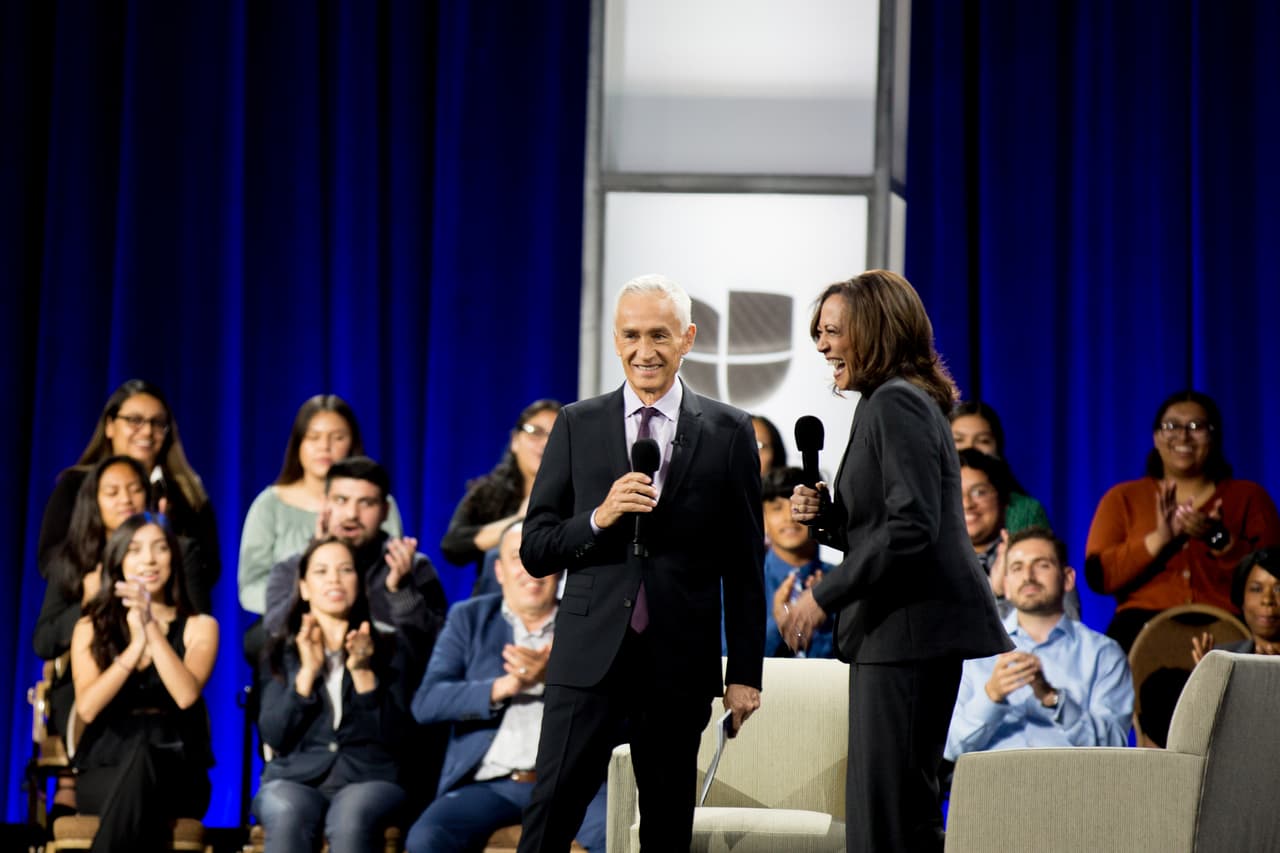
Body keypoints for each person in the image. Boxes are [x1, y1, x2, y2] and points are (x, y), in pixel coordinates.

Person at [516, 273, 765, 852]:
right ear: (615, 339)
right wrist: (599, 517)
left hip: (678, 660)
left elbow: (744, 565)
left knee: (666, 826)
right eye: (631, 335)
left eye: (659, 335)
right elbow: (536, 549)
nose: (643, 351)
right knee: (551, 814)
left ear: (688, 339)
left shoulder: (729, 430)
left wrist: (745, 674)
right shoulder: (577, 424)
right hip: (588, 655)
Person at [786, 270, 1011, 853]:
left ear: (875, 330)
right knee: (897, 811)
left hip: (907, 634)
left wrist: (822, 596)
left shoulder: (896, 402)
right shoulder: (886, 400)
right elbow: (885, 525)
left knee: (888, 819)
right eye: (819, 333)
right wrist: (829, 518)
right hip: (899, 635)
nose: (822, 346)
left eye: (833, 331)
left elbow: (912, 529)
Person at [406, 523, 607, 853]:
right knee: (427, 838)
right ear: (499, 571)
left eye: (540, 559)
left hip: (571, 782)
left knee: (617, 833)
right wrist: (506, 685)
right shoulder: (469, 618)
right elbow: (427, 702)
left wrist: (549, 679)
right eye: (518, 558)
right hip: (490, 784)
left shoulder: (586, 622)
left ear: (559, 570)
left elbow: (615, 706)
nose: (530, 570)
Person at [1084, 390, 1280, 651]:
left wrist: (1219, 539)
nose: (1184, 436)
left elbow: (1273, 574)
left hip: (1229, 630)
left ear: (1214, 436)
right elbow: (1099, 577)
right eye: (1171, 426)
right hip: (1139, 632)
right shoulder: (1123, 497)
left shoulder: (1248, 496)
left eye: (1196, 426)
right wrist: (1158, 540)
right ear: (1156, 437)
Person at [253, 537, 414, 852]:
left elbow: (398, 738)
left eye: (345, 570)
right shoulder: (279, 652)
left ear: (360, 583)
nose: (334, 580)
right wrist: (307, 673)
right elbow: (274, 735)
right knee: (287, 812)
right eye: (321, 571)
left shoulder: (390, 648)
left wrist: (364, 673)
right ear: (303, 588)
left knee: (351, 815)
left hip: (369, 778)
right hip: (296, 778)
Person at [69, 514, 218, 852]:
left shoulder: (200, 626)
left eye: (160, 548)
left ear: (173, 559)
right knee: (136, 772)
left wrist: (150, 627)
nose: (149, 559)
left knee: (144, 760)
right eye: (135, 550)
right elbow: (87, 709)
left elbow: (185, 694)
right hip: (105, 767)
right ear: (118, 561)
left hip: (179, 773)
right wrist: (135, 648)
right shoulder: (90, 627)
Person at [944, 527, 1132, 761]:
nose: (1028, 576)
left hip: (1071, 780)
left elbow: (1114, 749)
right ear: (1006, 585)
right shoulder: (978, 653)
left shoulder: (1103, 654)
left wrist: (1054, 699)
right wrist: (991, 695)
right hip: (994, 781)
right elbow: (951, 748)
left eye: (1042, 565)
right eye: (1017, 568)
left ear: (1068, 579)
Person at [37, 379, 220, 591]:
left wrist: (167, 546)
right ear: (110, 426)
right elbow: (51, 559)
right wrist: (98, 586)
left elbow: (209, 568)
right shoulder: (76, 485)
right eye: (135, 420)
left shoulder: (187, 492)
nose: (147, 431)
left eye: (158, 423)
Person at [238, 394, 404, 615]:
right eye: (313, 437)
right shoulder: (269, 504)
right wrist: (313, 605)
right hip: (287, 621)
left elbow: (390, 570)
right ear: (298, 444)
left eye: (338, 438)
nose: (324, 447)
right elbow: (251, 587)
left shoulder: (380, 504)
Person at [440, 399, 562, 595]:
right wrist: (518, 521)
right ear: (515, 440)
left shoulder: (579, 493)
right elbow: (453, 546)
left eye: (555, 435)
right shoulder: (488, 493)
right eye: (535, 432)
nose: (545, 443)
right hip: (496, 600)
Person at [959, 449, 1080, 621]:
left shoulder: (1035, 557)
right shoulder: (928, 563)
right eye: (953, 493)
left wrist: (1002, 596)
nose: (967, 504)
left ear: (1003, 500)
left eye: (979, 492)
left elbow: (1066, 625)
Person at [761, 467, 835, 658]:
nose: (789, 518)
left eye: (798, 506)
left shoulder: (845, 583)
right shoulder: (738, 584)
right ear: (762, 518)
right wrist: (778, 625)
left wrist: (825, 612)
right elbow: (724, 657)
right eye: (777, 508)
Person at [949, 400, 1050, 532]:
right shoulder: (929, 503)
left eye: (983, 441)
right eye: (958, 440)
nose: (970, 448)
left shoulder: (1026, 511)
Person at [1193, 547, 1280, 660]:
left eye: (1279, 589)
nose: (1267, 600)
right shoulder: (1221, 659)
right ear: (1242, 599)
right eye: (1256, 589)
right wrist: (1207, 671)